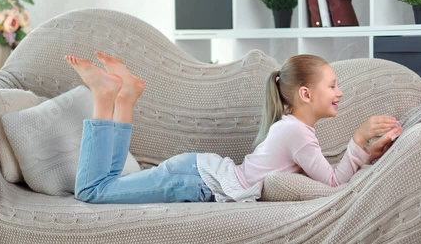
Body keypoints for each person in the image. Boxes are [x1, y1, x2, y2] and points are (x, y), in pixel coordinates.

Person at [66, 52, 402, 204]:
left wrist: (365, 153)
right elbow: (332, 185)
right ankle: (106, 95)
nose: (339, 92)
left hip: (196, 174)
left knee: (109, 186)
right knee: (93, 192)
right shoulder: (296, 132)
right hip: (195, 182)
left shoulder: (294, 128)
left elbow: (330, 180)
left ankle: (124, 98)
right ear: (306, 94)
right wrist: (358, 142)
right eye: (333, 85)